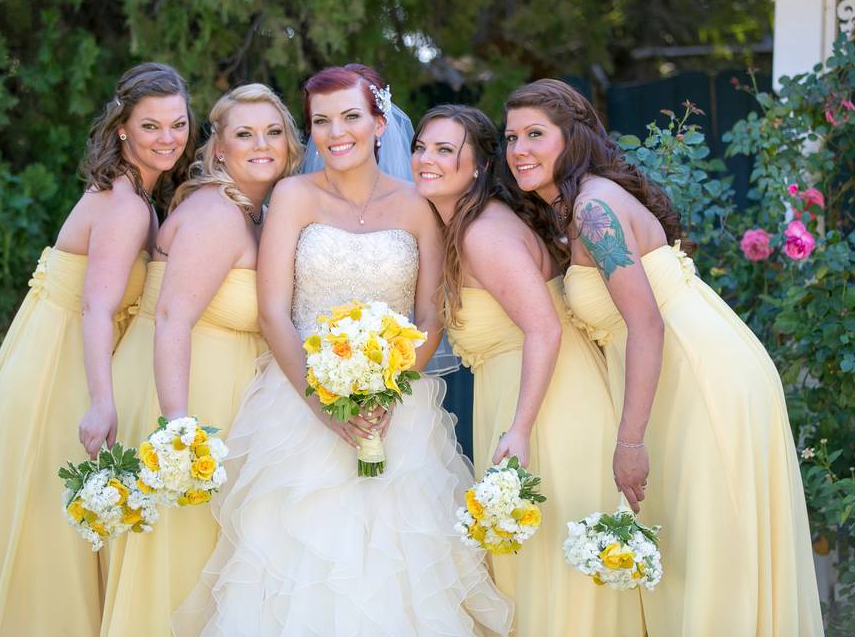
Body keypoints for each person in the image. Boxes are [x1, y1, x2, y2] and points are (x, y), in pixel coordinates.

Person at [173, 64, 512, 636]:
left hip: (398, 412)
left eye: (352, 117)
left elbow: (429, 315)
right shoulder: (293, 195)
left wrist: (388, 387)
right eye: (321, 121)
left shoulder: (417, 204)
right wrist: (321, 401)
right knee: (294, 566)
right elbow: (272, 311)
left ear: (380, 123)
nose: (337, 133)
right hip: (297, 409)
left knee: (398, 568)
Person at [504, 78, 823, 636]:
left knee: (710, 556)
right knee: (691, 552)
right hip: (677, 374)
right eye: (510, 138)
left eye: (535, 134)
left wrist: (628, 443)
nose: (518, 150)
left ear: (572, 139)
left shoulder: (594, 208)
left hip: (697, 377)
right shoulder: (582, 204)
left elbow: (646, 324)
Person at [0, 62, 195, 636]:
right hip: (58, 376)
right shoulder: (127, 206)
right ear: (123, 128)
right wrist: (103, 402)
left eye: (177, 124)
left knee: (44, 535)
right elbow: (96, 308)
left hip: (48, 358)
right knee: (46, 542)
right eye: (150, 126)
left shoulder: (129, 192)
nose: (168, 139)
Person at [415, 103, 644, 637]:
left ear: (476, 167)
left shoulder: (484, 234)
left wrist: (519, 429)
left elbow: (545, 329)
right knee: (534, 571)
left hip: (549, 412)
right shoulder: (466, 226)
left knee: (551, 581)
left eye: (445, 150)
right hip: (528, 399)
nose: (426, 158)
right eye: (421, 146)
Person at [99, 83, 303, 637]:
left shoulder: (252, 213)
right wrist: (177, 431)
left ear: (290, 144)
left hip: (217, 397)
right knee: (180, 562)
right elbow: (171, 320)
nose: (261, 144)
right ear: (218, 149)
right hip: (188, 399)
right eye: (244, 134)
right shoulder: (218, 214)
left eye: (273, 132)